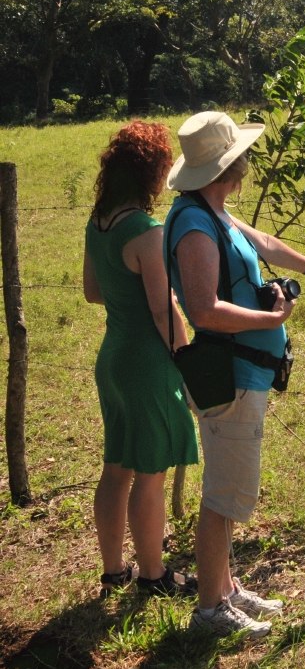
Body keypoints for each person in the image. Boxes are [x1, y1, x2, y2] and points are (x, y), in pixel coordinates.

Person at [163, 111, 305, 638]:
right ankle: (210, 611)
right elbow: (204, 309)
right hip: (230, 377)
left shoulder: (213, 212)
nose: (248, 161)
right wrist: (274, 318)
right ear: (229, 164)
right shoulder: (194, 225)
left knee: (228, 488)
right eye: (241, 154)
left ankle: (227, 588)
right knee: (223, 496)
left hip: (243, 375)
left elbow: (263, 243)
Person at [83, 121, 199, 599]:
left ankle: (115, 570)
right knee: (149, 473)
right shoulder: (147, 231)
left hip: (112, 358)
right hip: (147, 364)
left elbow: (93, 292)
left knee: (117, 467)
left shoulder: (99, 221)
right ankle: (154, 574)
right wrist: (190, 360)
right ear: (151, 173)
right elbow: (162, 309)